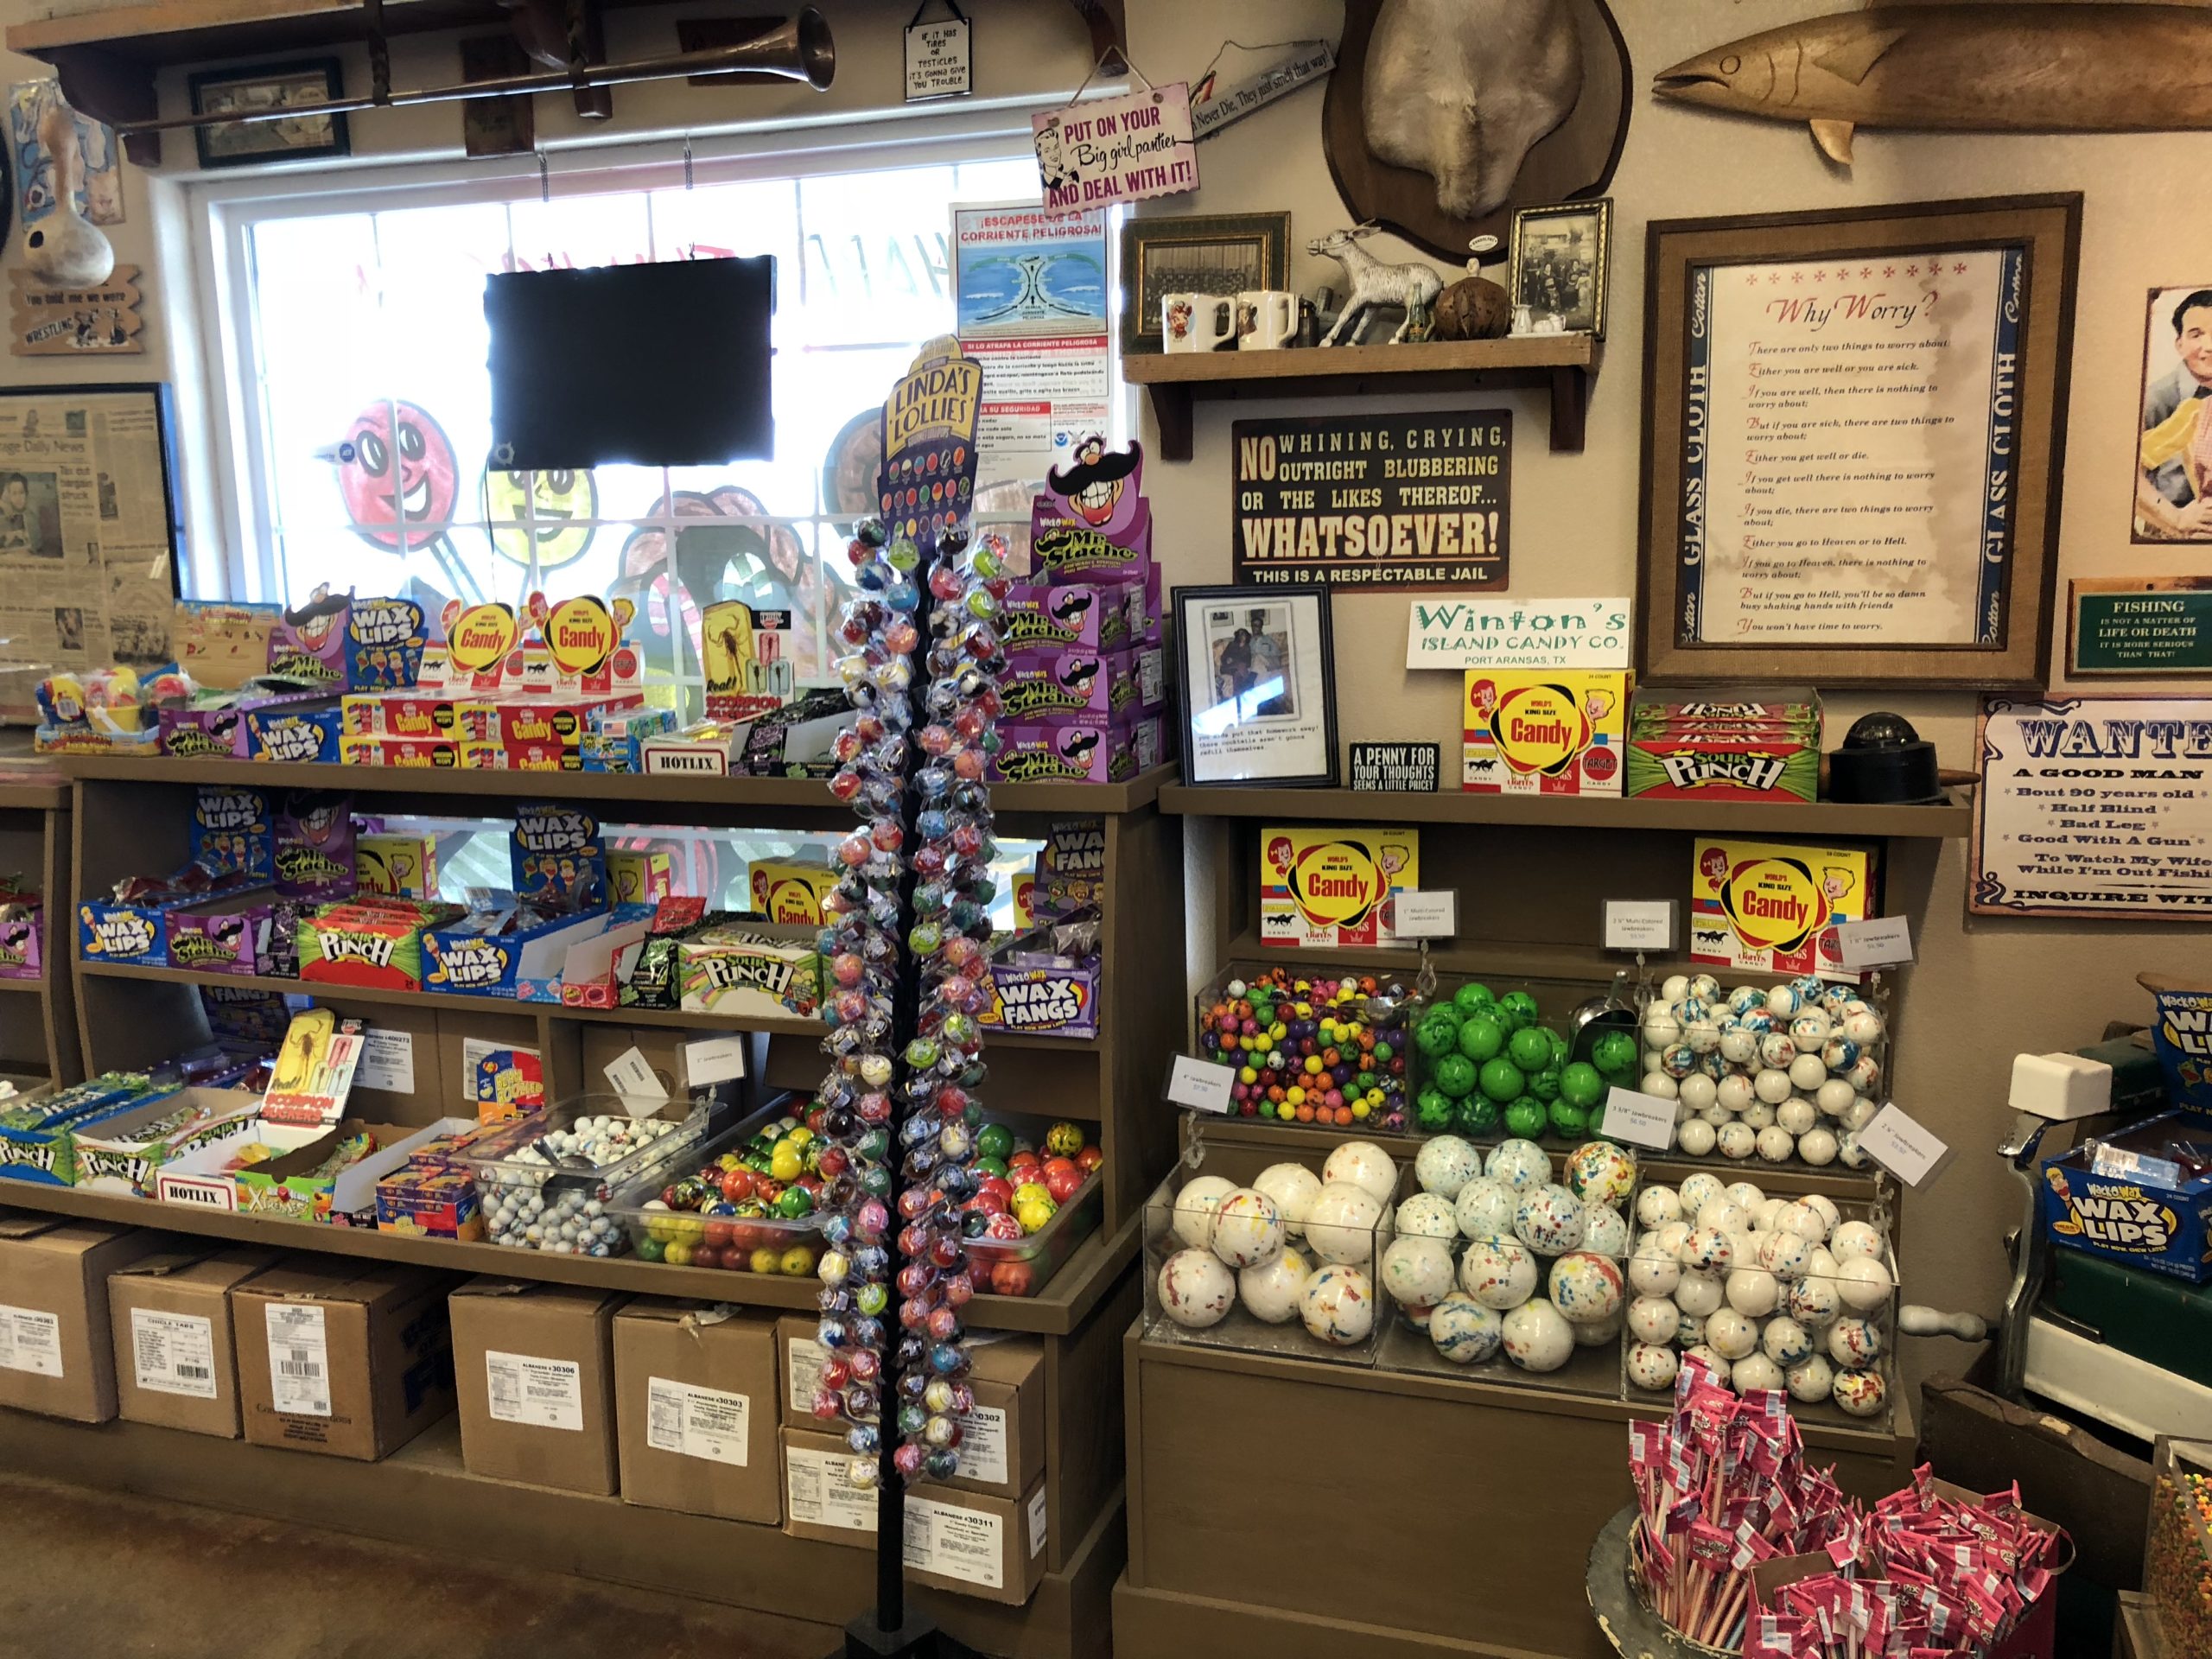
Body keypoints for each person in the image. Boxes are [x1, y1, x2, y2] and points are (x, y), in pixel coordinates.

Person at [2138, 289, 2212, 539]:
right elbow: (2120, 469)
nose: (2209, 346)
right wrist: (2176, 520)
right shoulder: (2189, 410)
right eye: (2196, 334)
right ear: (2179, 344)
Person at [0, 474, 30, 550]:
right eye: (14, 493)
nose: (18, 498)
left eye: (21, 493)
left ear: (26, 494)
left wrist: (24, 535)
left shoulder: (29, 514)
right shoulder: (6, 516)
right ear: (9, 496)